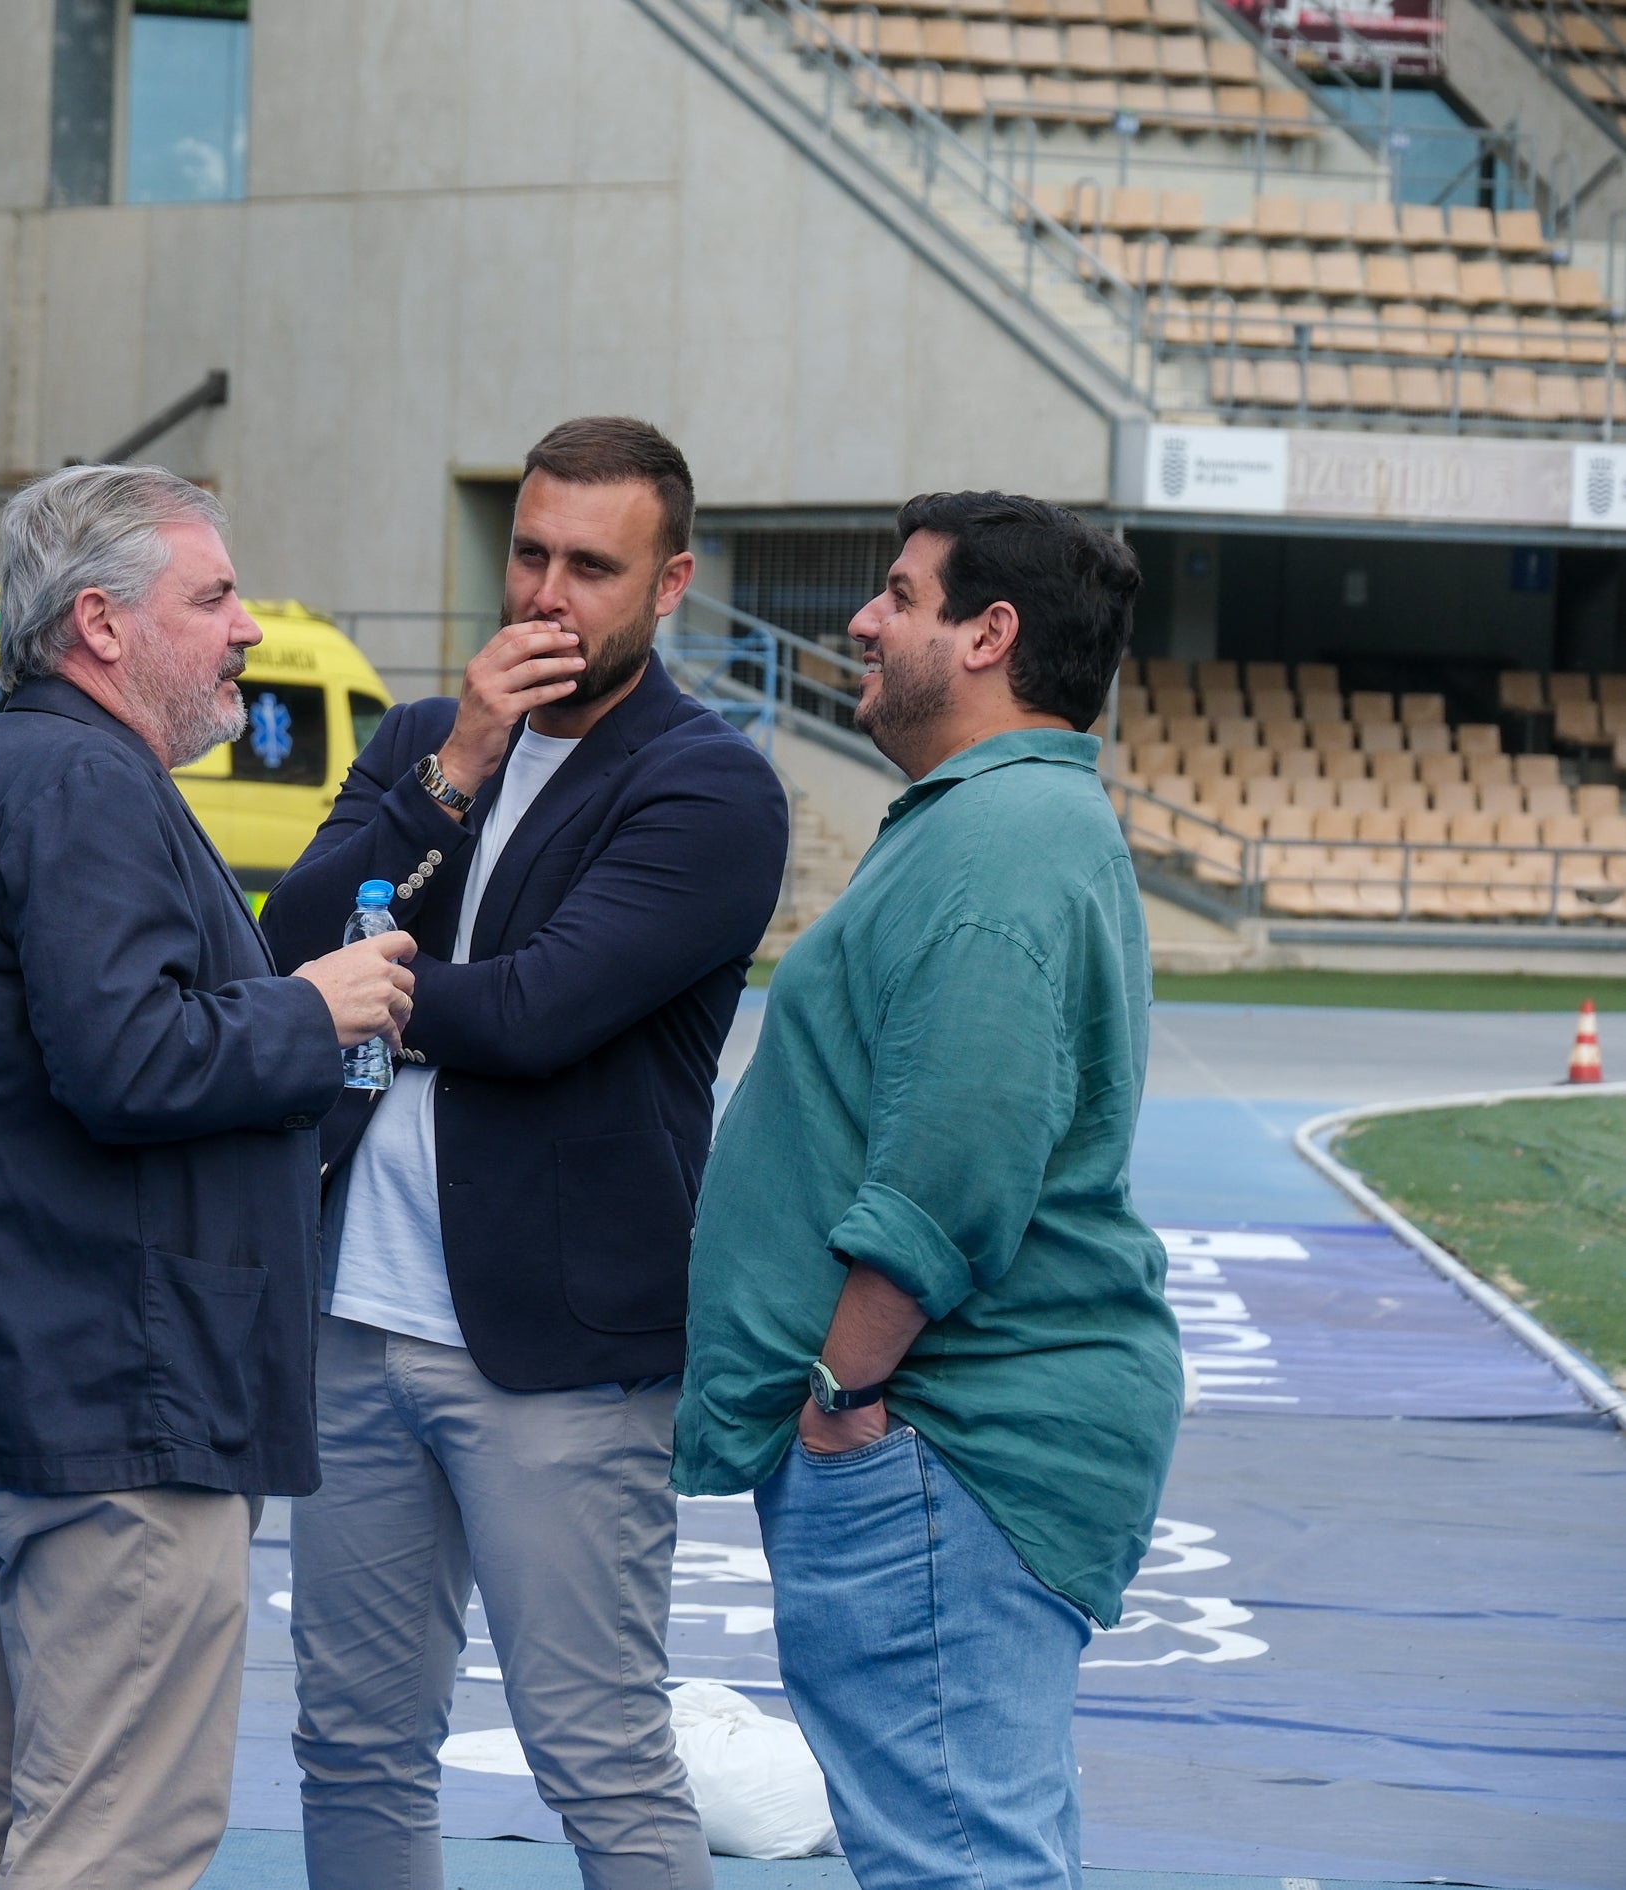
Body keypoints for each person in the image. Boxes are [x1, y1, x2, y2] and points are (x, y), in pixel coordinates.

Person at [0, 463, 420, 1890]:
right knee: (120, 1836)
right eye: (214, 595)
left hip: (63, 1384)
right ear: (101, 624)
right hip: (118, 1401)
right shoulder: (83, 785)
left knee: (19, 1808)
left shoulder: (30, 775)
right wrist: (314, 1008)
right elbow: (128, 1058)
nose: (245, 629)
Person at [260, 416, 788, 1890]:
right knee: (351, 1742)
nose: (548, 596)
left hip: (560, 1353)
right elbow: (291, 939)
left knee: (598, 1754)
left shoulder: (711, 786)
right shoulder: (431, 738)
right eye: (530, 555)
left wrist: (358, 984)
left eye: (592, 569)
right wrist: (458, 764)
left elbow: (542, 1008)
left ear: (671, 582)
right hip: (352, 1319)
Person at [673, 493, 1180, 1889]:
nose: (860, 620)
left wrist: (841, 1394)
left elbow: (958, 1158)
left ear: (987, 634)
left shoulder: (1000, 844)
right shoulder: (1001, 821)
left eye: (898, 594)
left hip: (929, 1442)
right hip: (938, 1446)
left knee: (959, 1863)